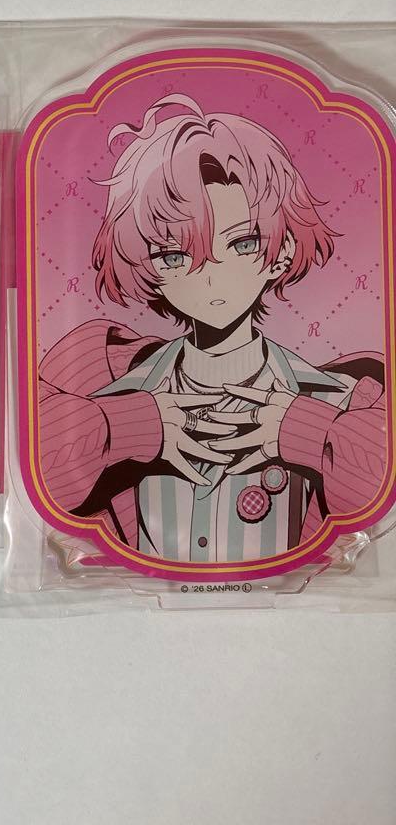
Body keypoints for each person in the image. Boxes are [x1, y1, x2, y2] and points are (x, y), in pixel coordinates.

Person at [38, 95, 386, 563]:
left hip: (297, 594)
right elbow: (39, 466)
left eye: (242, 243)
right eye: (174, 255)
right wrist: (130, 426)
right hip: (126, 596)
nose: (210, 275)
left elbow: (375, 486)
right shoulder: (102, 376)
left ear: (282, 252)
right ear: (146, 265)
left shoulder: (340, 397)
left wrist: (303, 431)